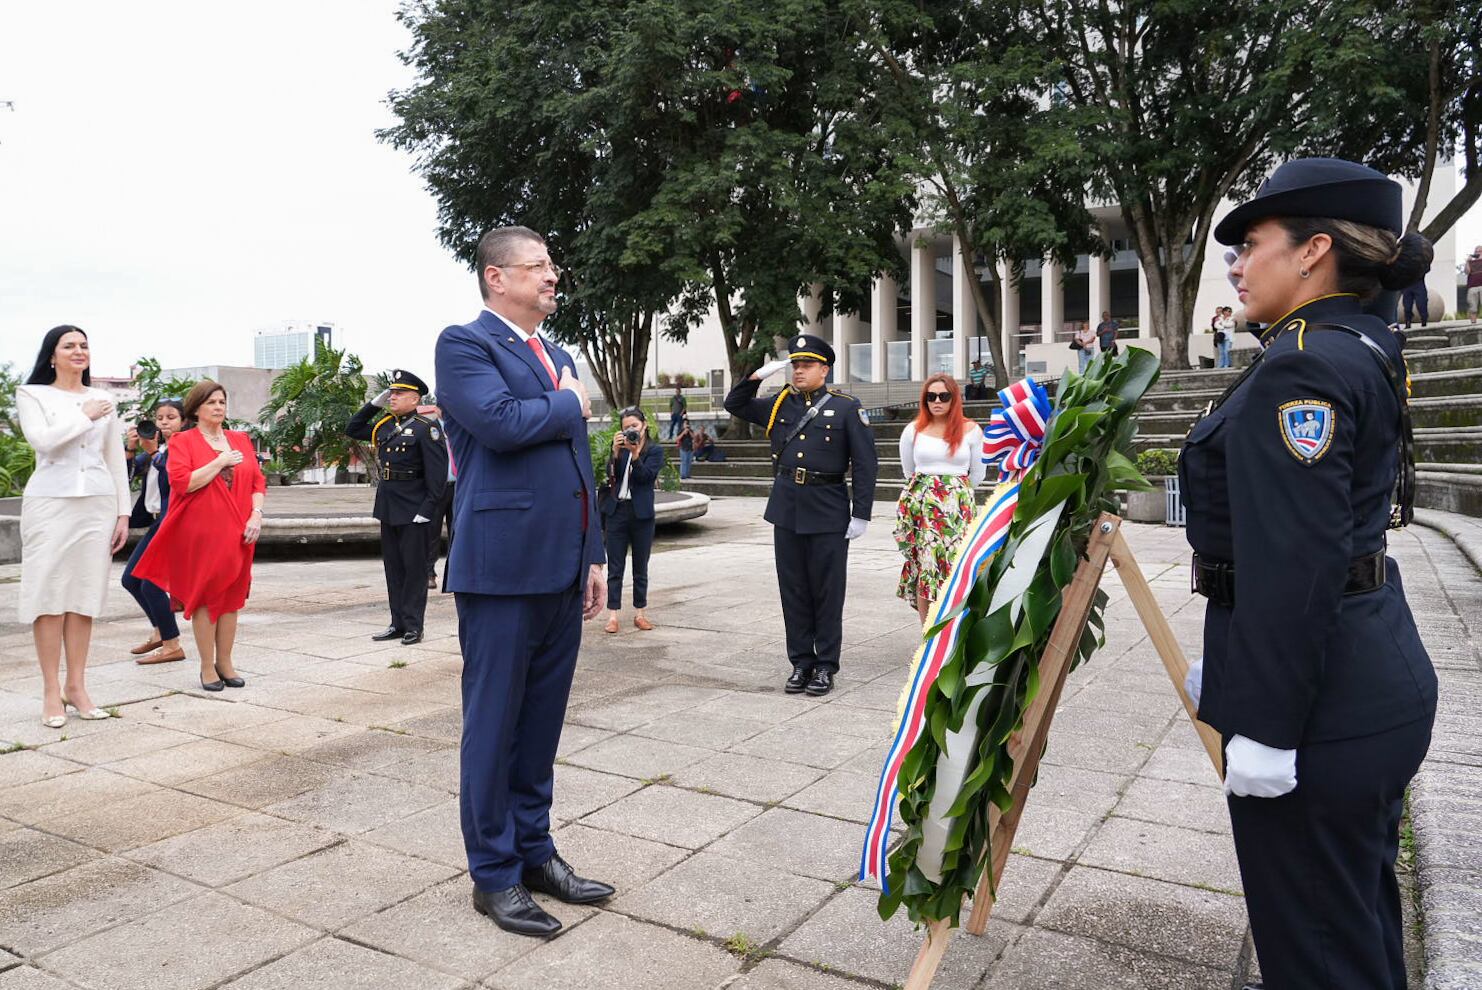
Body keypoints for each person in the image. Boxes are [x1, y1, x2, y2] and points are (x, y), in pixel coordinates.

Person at [1183, 157, 1438, 989]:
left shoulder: (1303, 366)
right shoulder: (1356, 340)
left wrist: (1265, 722)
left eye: (1251, 243)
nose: (1236, 262)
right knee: (1351, 929)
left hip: (1323, 706)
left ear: (1312, 250)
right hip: (1364, 672)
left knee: (1318, 952)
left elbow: (1298, 566)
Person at [435, 225, 612, 938]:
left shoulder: (557, 354)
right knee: (494, 724)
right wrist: (569, 402)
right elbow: (503, 425)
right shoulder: (465, 344)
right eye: (535, 266)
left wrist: (594, 552)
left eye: (551, 265)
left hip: (560, 564)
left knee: (540, 724)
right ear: (495, 278)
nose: (551, 276)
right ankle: (495, 874)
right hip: (501, 565)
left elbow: (579, 465)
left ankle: (536, 853)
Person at [723, 333, 878, 696]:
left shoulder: (846, 407)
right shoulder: (780, 404)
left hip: (828, 508)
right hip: (787, 509)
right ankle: (800, 663)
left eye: (806, 365)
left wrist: (862, 513)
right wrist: (758, 376)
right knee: (793, 589)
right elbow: (735, 403)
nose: (798, 371)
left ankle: (825, 666)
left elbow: (866, 464)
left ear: (824, 369)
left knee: (826, 590)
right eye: (795, 364)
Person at [16, 325, 132, 727]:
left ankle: (77, 686)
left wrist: (123, 512)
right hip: (50, 502)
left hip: (97, 504)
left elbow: (115, 458)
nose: (79, 351)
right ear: (52, 354)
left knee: (84, 596)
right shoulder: (33, 394)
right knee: (49, 596)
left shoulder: (103, 398)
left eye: (84, 345)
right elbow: (43, 441)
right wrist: (83, 417)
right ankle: (51, 691)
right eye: (70, 345)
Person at [132, 380, 266, 692]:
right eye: (211, 403)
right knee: (206, 596)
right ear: (196, 409)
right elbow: (183, 484)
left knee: (232, 598)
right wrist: (220, 460)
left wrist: (256, 515)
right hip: (202, 531)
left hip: (241, 530)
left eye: (221, 402)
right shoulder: (183, 441)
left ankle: (226, 662)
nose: (218, 407)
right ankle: (207, 666)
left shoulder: (240, 439)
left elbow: (258, 482)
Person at [346, 371, 449, 645]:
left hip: (415, 507)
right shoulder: (385, 426)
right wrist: (372, 405)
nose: (392, 397)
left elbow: (437, 478)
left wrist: (427, 510)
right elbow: (353, 429)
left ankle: (414, 626)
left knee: (415, 570)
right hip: (389, 506)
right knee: (393, 568)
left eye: (398, 393)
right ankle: (398, 623)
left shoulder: (427, 428)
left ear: (415, 398)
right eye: (390, 393)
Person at [894, 375, 986, 626]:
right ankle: (928, 633)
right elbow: (908, 470)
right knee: (927, 566)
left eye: (943, 396)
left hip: (957, 508)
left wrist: (951, 492)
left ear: (954, 399)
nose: (936, 401)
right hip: (923, 509)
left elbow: (978, 474)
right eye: (930, 396)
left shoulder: (971, 430)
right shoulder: (914, 430)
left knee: (956, 564)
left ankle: (955, 627)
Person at [121, 399, 188, 665]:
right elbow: (126, 475)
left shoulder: (183, 447)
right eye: (159, 417)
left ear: (183, 421)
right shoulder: (157, 448)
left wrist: (151, 455)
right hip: (155, 522)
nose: (163, 422)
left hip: (173, 524)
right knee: (131, 580)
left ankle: (171, 644)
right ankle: (161, 631)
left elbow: (174, 475)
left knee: (150, 583)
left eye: (171, 417)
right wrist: (131, 449)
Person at [600, 407, 665, 634]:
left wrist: (636, 456)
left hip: (641, 515)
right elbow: (611, 477)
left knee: (641, 566)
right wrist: (616, 454)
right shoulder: (620, 448)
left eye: (634, 427)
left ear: (644, 425)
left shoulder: (654, 450)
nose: (630, 431)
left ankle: (640, 613)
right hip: (617, 511)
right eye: (626, 427)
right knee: (615, 566)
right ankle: (612, 616)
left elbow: (646, 478)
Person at [419, 402, 457, 591]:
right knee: (431, 533)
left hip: (458, 487)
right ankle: (429, 573)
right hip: (436, 489)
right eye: (443, 408)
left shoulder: (460, 427)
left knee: (457, 533)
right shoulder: (429, 430)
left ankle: (455, 574)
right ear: (436, 409)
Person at [1466, 244, 1482, 323]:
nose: (1478, 253)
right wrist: (1468, 262)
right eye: (1476, 251)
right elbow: (1467, 271)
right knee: (1473, 307)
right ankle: (1473, 324)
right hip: (1472, 286)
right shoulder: (1471, 262)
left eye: (1479, 251)